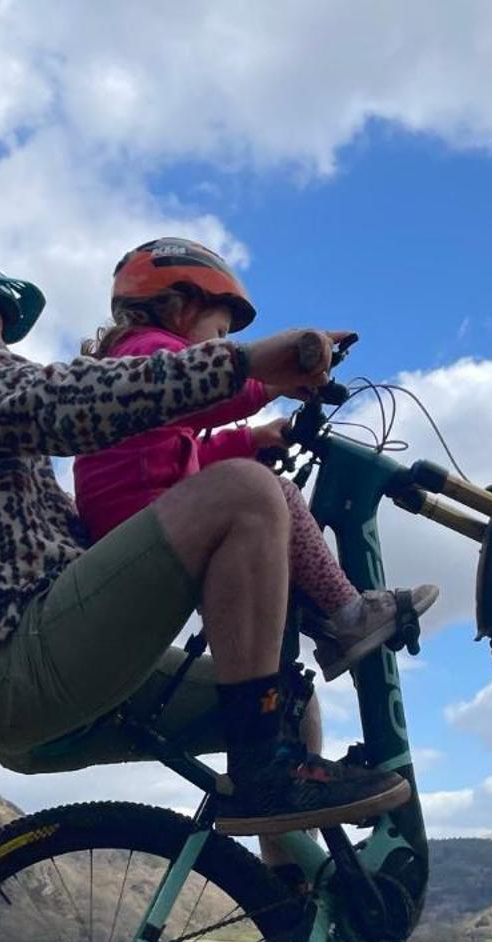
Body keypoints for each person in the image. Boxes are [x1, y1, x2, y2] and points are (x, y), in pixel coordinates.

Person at [0, 247, 437, 942]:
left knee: (288, 708)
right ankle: (265, 775)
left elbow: (84, 535)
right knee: (244, 495)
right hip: (21, 659)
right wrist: (243, 367)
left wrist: (234, 549)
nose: (1, 336)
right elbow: (61, 404)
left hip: (34, 688)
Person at [72, 238, 437, 681]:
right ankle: (348, 614)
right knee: (273, 495)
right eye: (223, 334)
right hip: (134, 537)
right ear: (179, 306)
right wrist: (272, 378)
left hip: (139, 531)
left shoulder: (140, 367)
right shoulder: (146, 352)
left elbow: (185, 455)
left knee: (257, 511)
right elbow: (207, 384)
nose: (225, 346)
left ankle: (321, 621)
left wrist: (253, 439)